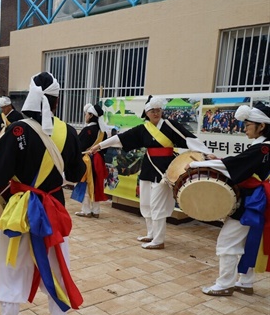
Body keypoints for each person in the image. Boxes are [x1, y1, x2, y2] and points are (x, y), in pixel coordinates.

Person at [0, 72, 85, 315]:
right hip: (54, 210)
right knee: (57, 269)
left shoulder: (17, 130)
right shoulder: (69, 132)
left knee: (10, 268)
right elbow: (75, 175)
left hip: (19, 211)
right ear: (57, 102)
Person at [89, 96, 210, 249]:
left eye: (158, 110)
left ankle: (159, 240)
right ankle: (151, 233)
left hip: (164, 170)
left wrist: (206, 152)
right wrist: (99, 146)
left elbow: (189, 139)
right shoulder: (143, 129)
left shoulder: (169, 125)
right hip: (148, 167)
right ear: (147, 113)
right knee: (146, 202)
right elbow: (121, 138)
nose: (156, 113)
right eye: (152, 110)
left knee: (158, 205)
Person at [188, 102, 270, 296]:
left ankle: (224, 284)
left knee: (228, 241)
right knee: (250, 240)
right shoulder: (262, 147)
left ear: (262, 126)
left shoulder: (263, 149)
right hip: (259, 200)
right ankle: (246, 282)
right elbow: (239, 164)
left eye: (248, 124)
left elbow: (233, 164)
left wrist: (197, 165)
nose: (245, 128)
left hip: (252, 200)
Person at [74, 103, 112, 218]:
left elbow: (79, 146)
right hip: (99, 160)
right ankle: (96, 211)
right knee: (96, 184)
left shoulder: (87, 130)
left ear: (90, 115)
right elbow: (104, 150)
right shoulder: (102, 132)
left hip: (88, 160)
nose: (85, 116)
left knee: (85, 184)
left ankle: (86, 210)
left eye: (86, 114)